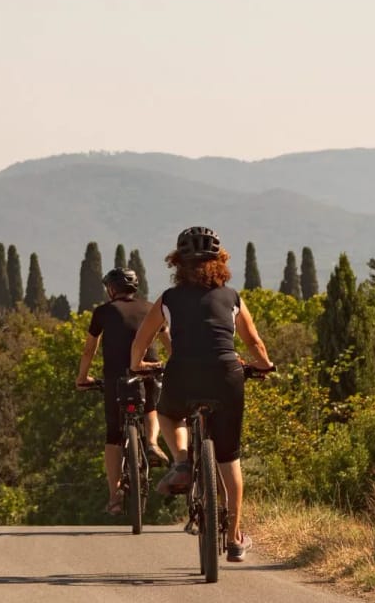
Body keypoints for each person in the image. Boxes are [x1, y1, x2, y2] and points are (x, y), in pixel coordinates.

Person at [129, 226, 273, 563]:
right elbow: (253, 342)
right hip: (227, 374)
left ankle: (181, 460)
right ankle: (236, 538)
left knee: (167, 413)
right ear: (220, 262)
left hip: (183, 373)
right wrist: (264, 365)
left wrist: (138, 365)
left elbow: (141, 341)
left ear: (178, 264)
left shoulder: (168, 299)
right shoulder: (232, 297)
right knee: (229, 457)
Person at [75, 267, 168, 514]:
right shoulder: (151, 308)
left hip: (117, 377)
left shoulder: (103, 312)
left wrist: (83, 377)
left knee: (113, 435)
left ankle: (115, 494)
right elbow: (168, 340)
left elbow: (89, 350)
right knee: (151, 406)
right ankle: (151, 442)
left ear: (111, 289)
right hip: (149, 370)